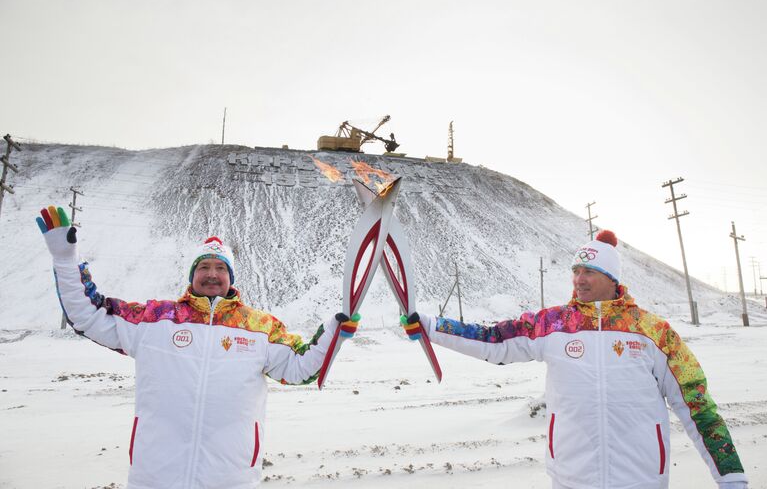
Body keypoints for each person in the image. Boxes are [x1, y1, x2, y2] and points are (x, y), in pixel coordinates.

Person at [37, 205, 354, 489]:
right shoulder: (155, 319)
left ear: (230, 277)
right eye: (204, 267)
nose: (212, 274)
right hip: (155, 478)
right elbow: (88, 315)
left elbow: (301, 368)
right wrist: (65, 260)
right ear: (192, 275)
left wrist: (333, 331)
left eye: (221, 268)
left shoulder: (259, 327)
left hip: (231, 479)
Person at [404, 230, 748, 489]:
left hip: (641, 478)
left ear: (611, 279)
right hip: (571, 477)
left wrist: (729, 475)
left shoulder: (652, 331)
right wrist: (432, 326)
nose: (579, 279)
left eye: (589, 271)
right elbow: (493, 339)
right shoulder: (555, 324)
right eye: (576, 270)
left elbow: (696, 404)